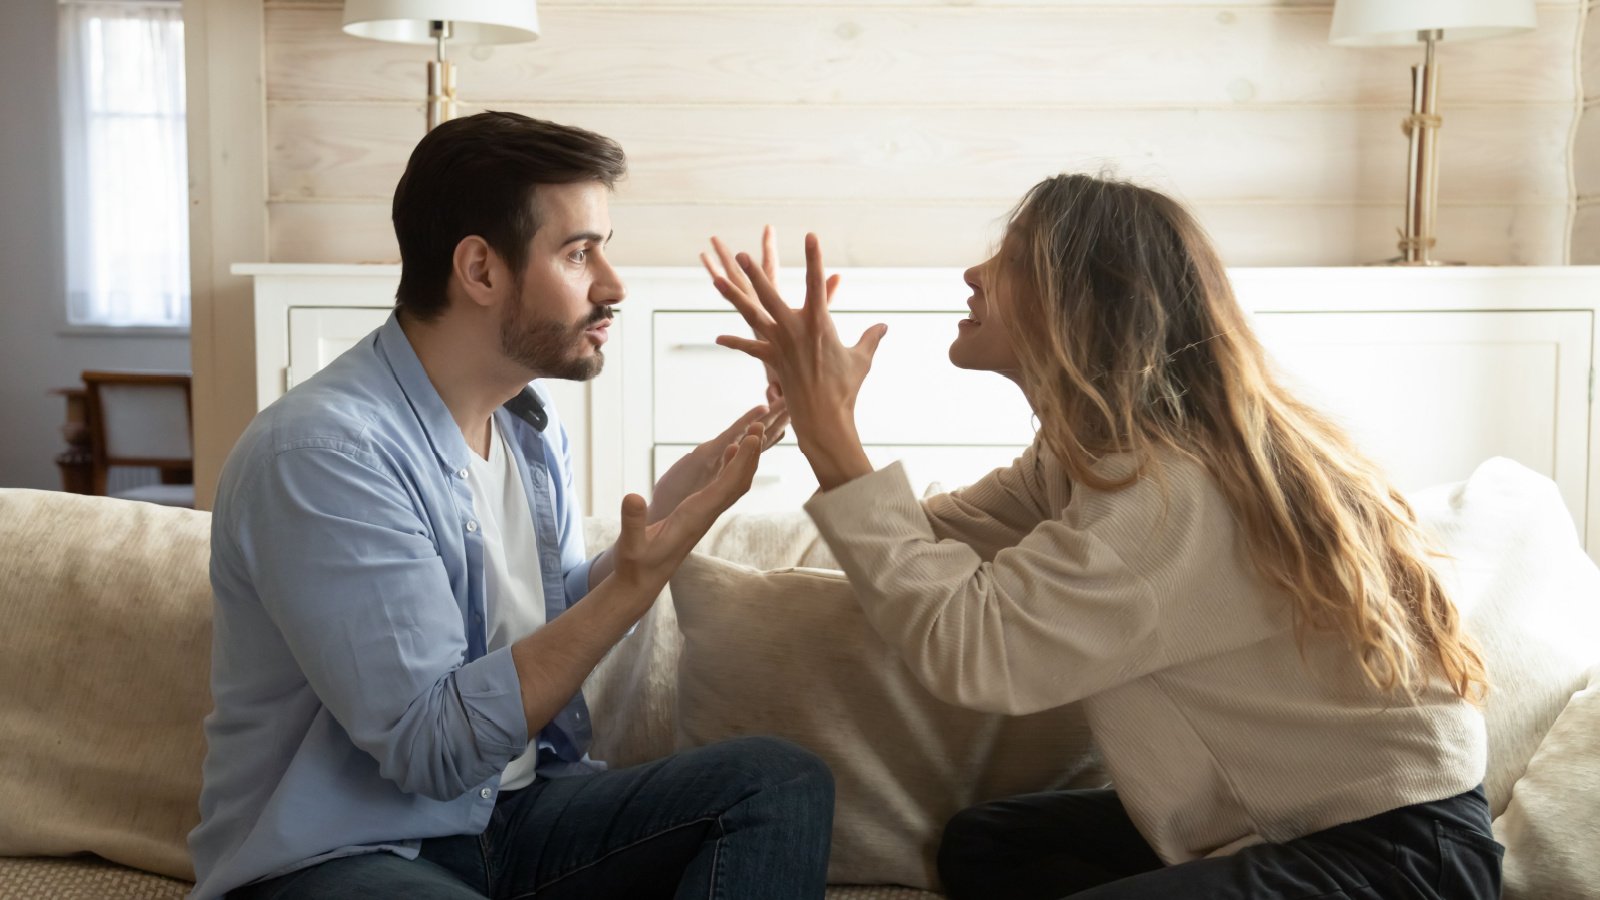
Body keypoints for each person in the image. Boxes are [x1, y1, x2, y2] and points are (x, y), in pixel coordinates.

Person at [701, 173, 1501, 900]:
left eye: (1008, 259)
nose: (974, 275)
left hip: (1398, 855)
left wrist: (833, 431)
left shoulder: (1172, 494)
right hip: (1288, 821)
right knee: (987, 849)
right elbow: (919, 546)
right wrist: (814, 424)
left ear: (1081, 301)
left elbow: (976, 649)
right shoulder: (1093, 459)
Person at [188, 111, 835, 900]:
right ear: (481, 271)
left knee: (776, 783)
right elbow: (434, 750)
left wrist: (684, 505)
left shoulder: (527, 425)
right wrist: (638, 582)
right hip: (350, 853)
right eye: (578, 252)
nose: (613, 285)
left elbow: (553, 622)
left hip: (511, 816)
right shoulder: (324, 455)